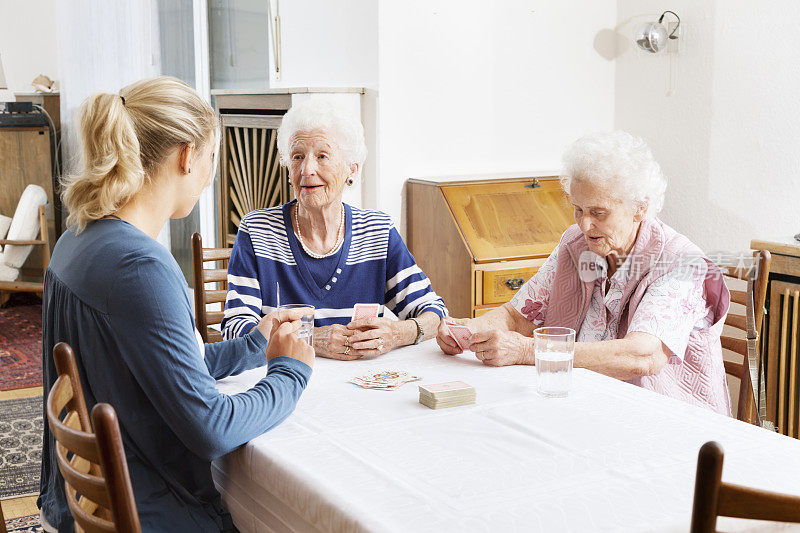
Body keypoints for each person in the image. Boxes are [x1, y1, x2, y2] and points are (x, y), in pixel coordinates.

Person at [39, 76, 315, 532]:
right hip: (151, 515)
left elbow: (157, 363)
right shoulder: (140, 267)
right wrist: (290, 373)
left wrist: (253, 345)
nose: (210, 177)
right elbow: (212, 429)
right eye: (212, 159)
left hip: (76, 508)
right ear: (188, 156)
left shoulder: (77, 238)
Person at [437, 130, 732, 415]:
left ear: (640, 208)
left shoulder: (681, 264)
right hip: (587, 405)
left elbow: (642, 356)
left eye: (598, 213)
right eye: (578, 209)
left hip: (664, 420)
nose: (584, 224)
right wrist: (472, 331)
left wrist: (529, 351)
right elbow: (517, 316)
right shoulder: (576, 245)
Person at [221, 99, 447, 359]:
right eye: (297, 156)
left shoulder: (377, 232)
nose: (307, 169)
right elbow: (235, 331)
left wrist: (396, 334)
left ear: (352, 168)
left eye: (322, 156)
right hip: (284, 382)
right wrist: (312, 339)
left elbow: (434, 312)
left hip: (360, 387)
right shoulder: (258, 231)